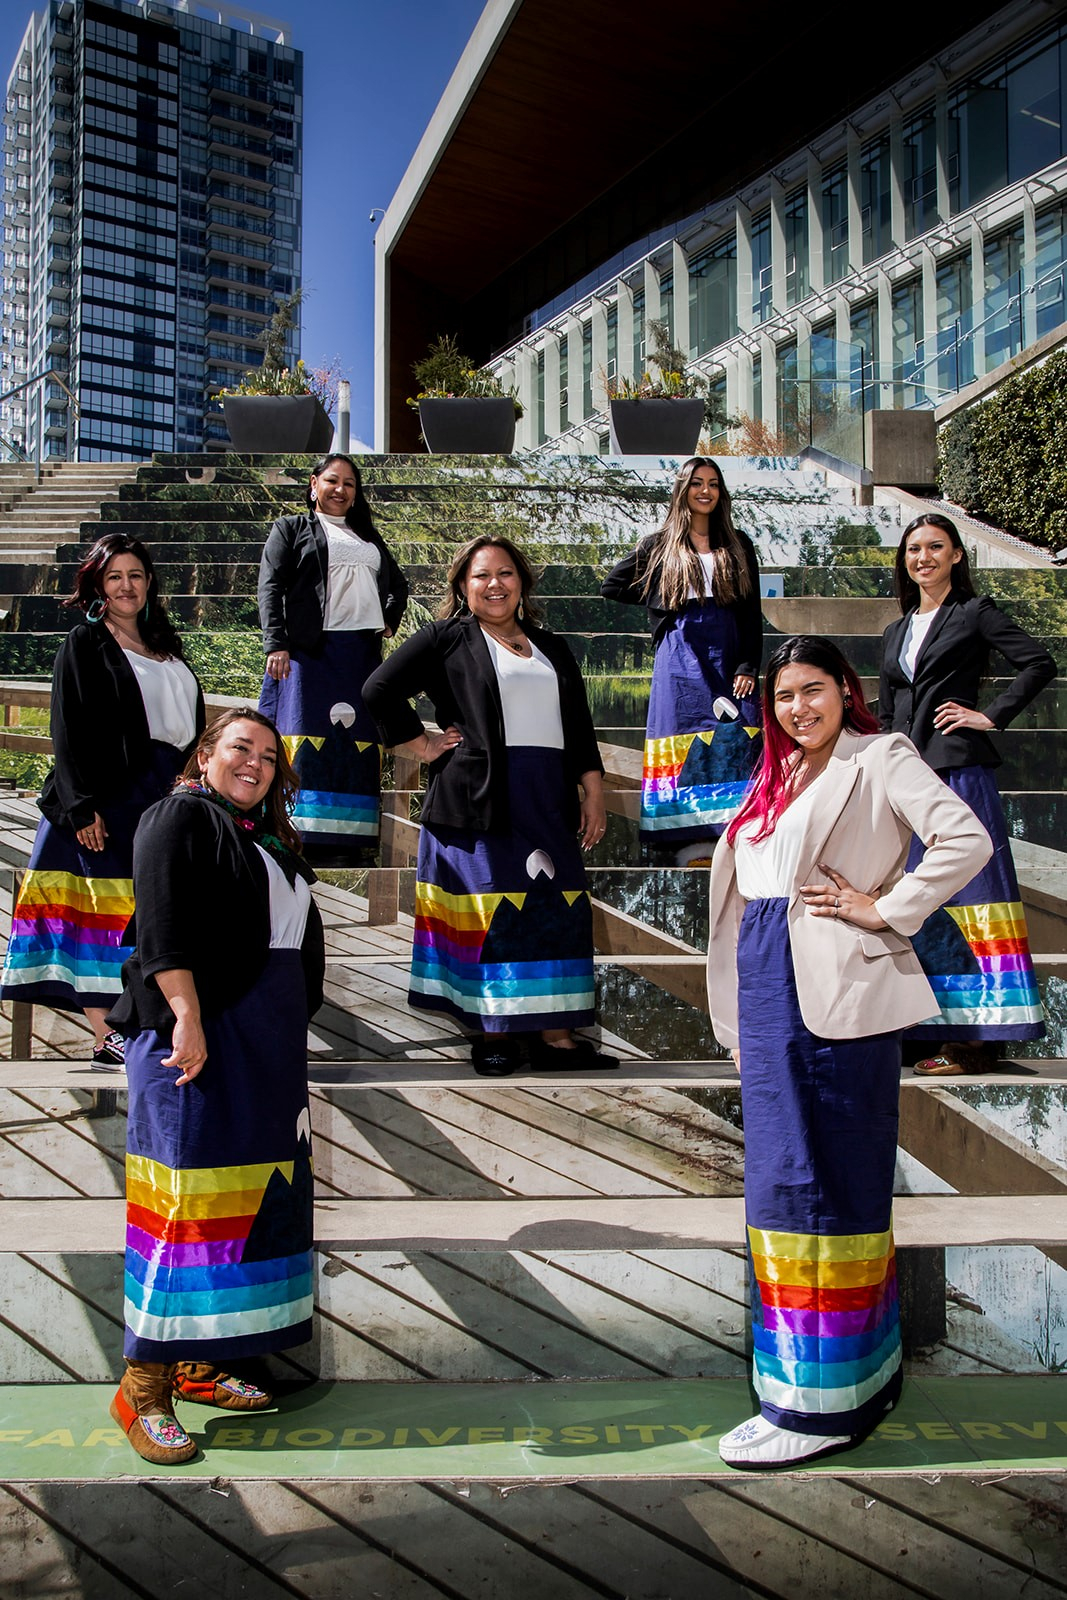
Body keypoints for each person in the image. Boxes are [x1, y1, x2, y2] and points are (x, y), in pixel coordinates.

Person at [707, 636, 991, 1468]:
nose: (798, 707)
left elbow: (963, 839)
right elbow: (743, 903)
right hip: (765, 998)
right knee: (780, 1186)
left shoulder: (879, 756)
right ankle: (847, 1378)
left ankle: (816, 1408)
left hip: (832, 999)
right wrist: (734, 1021)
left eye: (812, 690)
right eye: (784, 695)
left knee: (825, 1188)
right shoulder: (773, 776)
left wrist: (886, 909)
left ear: (844, 689)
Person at [106, 709, 325, 1466]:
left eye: (268, 755)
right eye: (240, 747)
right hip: (196, 1034)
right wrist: (186, 1017)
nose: (255, 763)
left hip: (264, 1045)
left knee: (244, 1203)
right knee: (183, 1203)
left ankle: (193, 1356)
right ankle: (142, 1383)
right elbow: (160, 928)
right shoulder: (178, 816)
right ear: (205, 755)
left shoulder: (264, 837)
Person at [363, 534, 616, 1076]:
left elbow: (578, 726)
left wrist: (593, 789)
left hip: (546, 796)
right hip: (476, 801)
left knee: (557, 907)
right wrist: (423, 744)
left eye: (505, 573)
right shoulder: (446, 638)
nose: (494, 584)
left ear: (521, 582)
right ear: (462, 585)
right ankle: (491, 1033)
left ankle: (556, 1035)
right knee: (488, 914)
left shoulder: (553, 646)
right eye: (481, 576)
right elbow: (378, 689)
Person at [0, 534, 204, 1067]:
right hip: (103, 799)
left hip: (161, 794)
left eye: (135, 575)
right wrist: (81, 806)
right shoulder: (85, 643)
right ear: (98, 585)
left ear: (149, 582)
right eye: (114, 577)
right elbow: (66, 728)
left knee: (144, 909)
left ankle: (143, 1017)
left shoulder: (166, 644)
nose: (126, 585)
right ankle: (104, 1031)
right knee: (96, 915)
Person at [879, 514, 1055, 1075]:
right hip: (906, 780)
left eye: (935, 547)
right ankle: (922, 1026)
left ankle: (976, 1038)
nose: (923, 557)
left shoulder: (975, 614)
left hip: (958, 773)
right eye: (913, 549)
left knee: (972, 898)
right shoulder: (896, 630)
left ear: (957, 555)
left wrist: (990, 716)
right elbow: (887, 710)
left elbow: (1038, 662)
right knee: (915, 902)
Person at [601, 457, 762, 863]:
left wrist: (748, 665)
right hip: (679, 651)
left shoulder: (738, 543)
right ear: (682, 490)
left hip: (726, 646)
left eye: (712, 483)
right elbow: (613, 584)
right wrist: (663, 594)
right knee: (681, 731)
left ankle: (736, 826)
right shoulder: (661, 544)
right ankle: (681, 831)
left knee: (736, 732)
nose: (705, 491)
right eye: (696, 483)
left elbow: (751, 611)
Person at [258, 452, 408, 866]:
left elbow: (398, 584)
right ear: (314, 485)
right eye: (332, 480)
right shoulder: (291, 529)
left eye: (349, 484)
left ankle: (350, 843)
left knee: (357, 745)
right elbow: (270, 587)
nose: (341, 489)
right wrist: (276, 643)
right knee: (303, 741)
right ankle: (292, 835)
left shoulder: (369, 537)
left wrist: (388, 622)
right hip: (309, 653)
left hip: (360, 657)